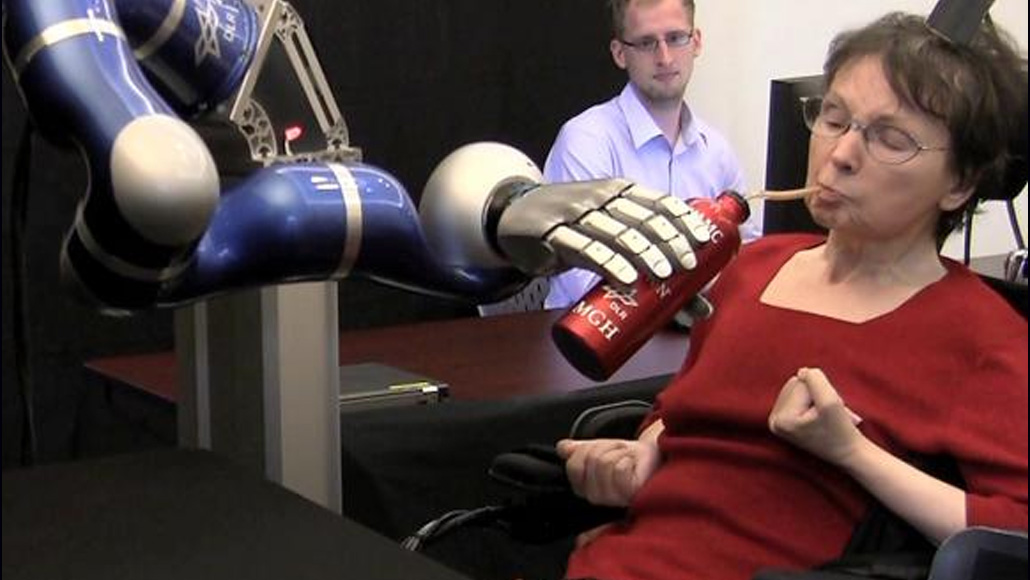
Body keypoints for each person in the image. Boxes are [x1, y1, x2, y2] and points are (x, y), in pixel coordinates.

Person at [555, 12, 1028, 580]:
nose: (841, 154)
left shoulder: (982, 335)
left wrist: (853, 453)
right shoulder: (751, 268)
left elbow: (1010, 535)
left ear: (959, 184)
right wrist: (644, 452)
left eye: (890, 138)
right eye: (834, 117)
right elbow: (679, 411)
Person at [543, 0, 758, 309]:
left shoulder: (717, 151)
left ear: (695, 41)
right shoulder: (585, 142)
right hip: (598, 342)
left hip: (693, 340)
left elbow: (746, 259)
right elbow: (585, 282)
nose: (665, 57)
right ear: (620, 53)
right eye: (646, 43)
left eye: (675, 38)